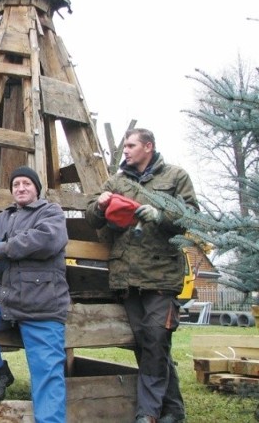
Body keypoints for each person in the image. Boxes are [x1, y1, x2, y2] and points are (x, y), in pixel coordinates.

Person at [85, 128, 198, 423]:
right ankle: (173, 410)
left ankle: (147, 414)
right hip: (127, 278)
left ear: (148, 146)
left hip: (161, 276)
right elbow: (91, 217)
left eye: (131, 146)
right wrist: (99, 204)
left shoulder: (175, 176)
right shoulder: (117, 181)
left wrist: (161, 216)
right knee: (147, 343)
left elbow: (190, 216)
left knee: (156, 339)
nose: (126, 151)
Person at [0, 166, 70, 423]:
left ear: (36, 189)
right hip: (3, 300)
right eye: (16, 184)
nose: (21, 188)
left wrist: (2, 249)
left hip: (42, 305)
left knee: (47, 373)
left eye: (26, 184)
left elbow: (47, 240)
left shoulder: (50, 212)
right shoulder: (2, 218)